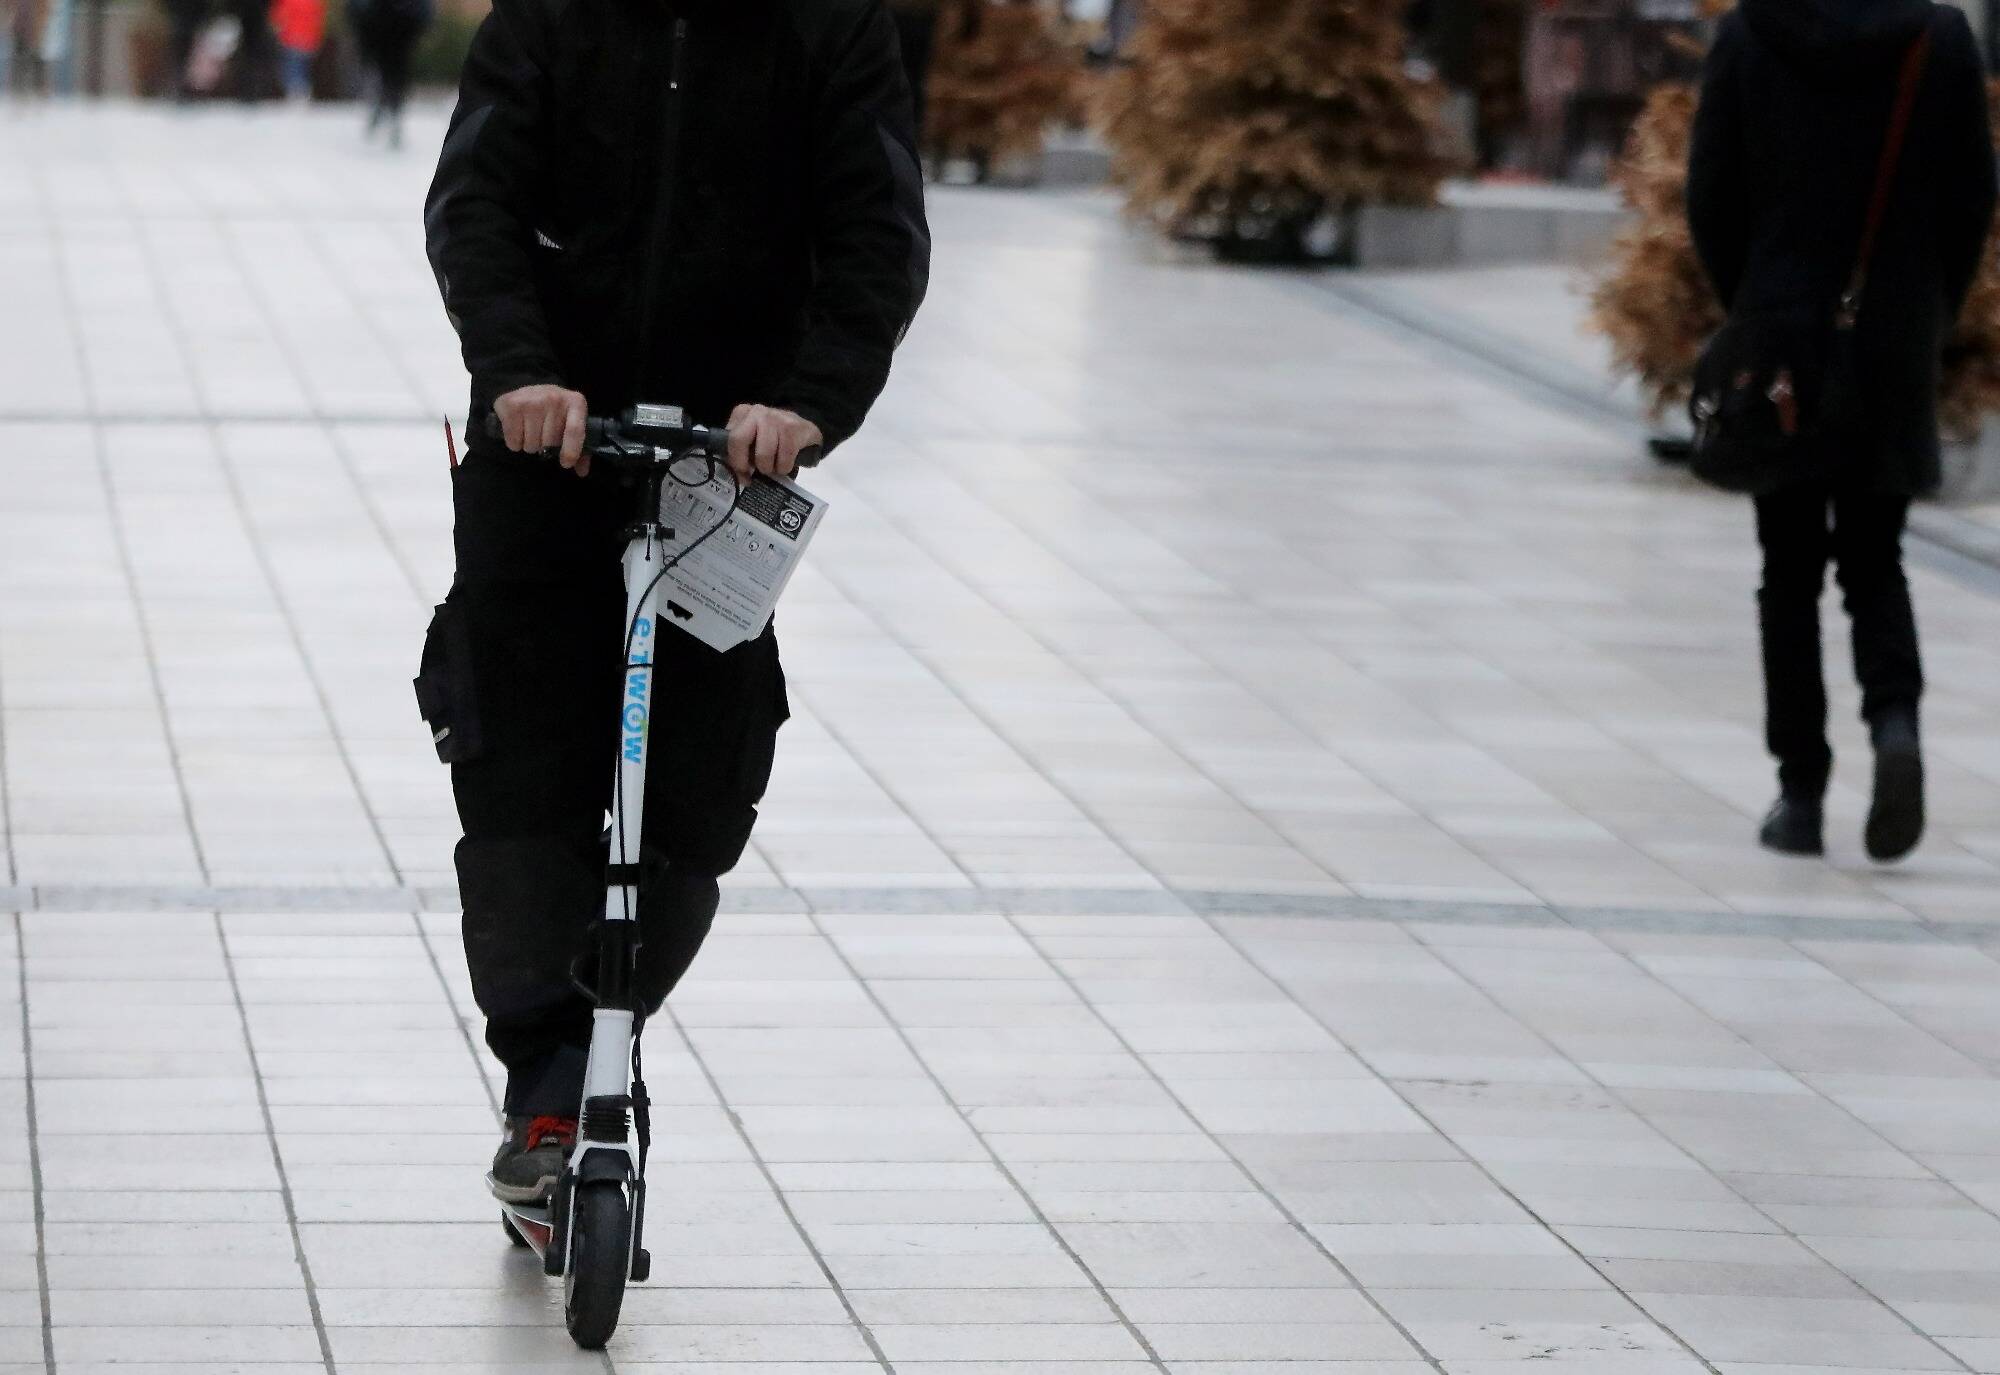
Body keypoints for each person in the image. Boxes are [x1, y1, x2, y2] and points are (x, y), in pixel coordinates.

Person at [423, 0, 929, 1202]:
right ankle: (552, 1087)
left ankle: (596, 1045)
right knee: (518, 768)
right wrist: (518, 370)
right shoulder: (548, 16)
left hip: (724, 467)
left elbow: (877, 235)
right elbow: (474, 204)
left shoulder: (832, 30)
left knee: (695, 786)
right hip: (547, 449)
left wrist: (806, 400)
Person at [1688, 0, 1996, 863]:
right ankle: (1895, 724)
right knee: (1875, 559)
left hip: (1781, 339)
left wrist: (1752, 307)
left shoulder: (1752, 33)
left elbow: (1710, 194)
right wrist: (1927, 313)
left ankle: (1801, 793)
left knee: (1787, 573)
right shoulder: (1937, 39)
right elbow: (1973, 197)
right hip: (1891, 339)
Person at [349, 0, 428, 146]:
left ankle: (391, 110)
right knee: (383, 72)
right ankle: (384, 106)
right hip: (377, 30)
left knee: (396, 75)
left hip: (402, 32)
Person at [270, 0, 323, 99]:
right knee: (304, 67)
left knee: (292, 67)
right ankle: (304, 90)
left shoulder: (288, 2)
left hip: (292, 39)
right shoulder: (313, 2)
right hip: (309, 40)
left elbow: (279, 18)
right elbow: (318, 19)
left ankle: (296, 92)